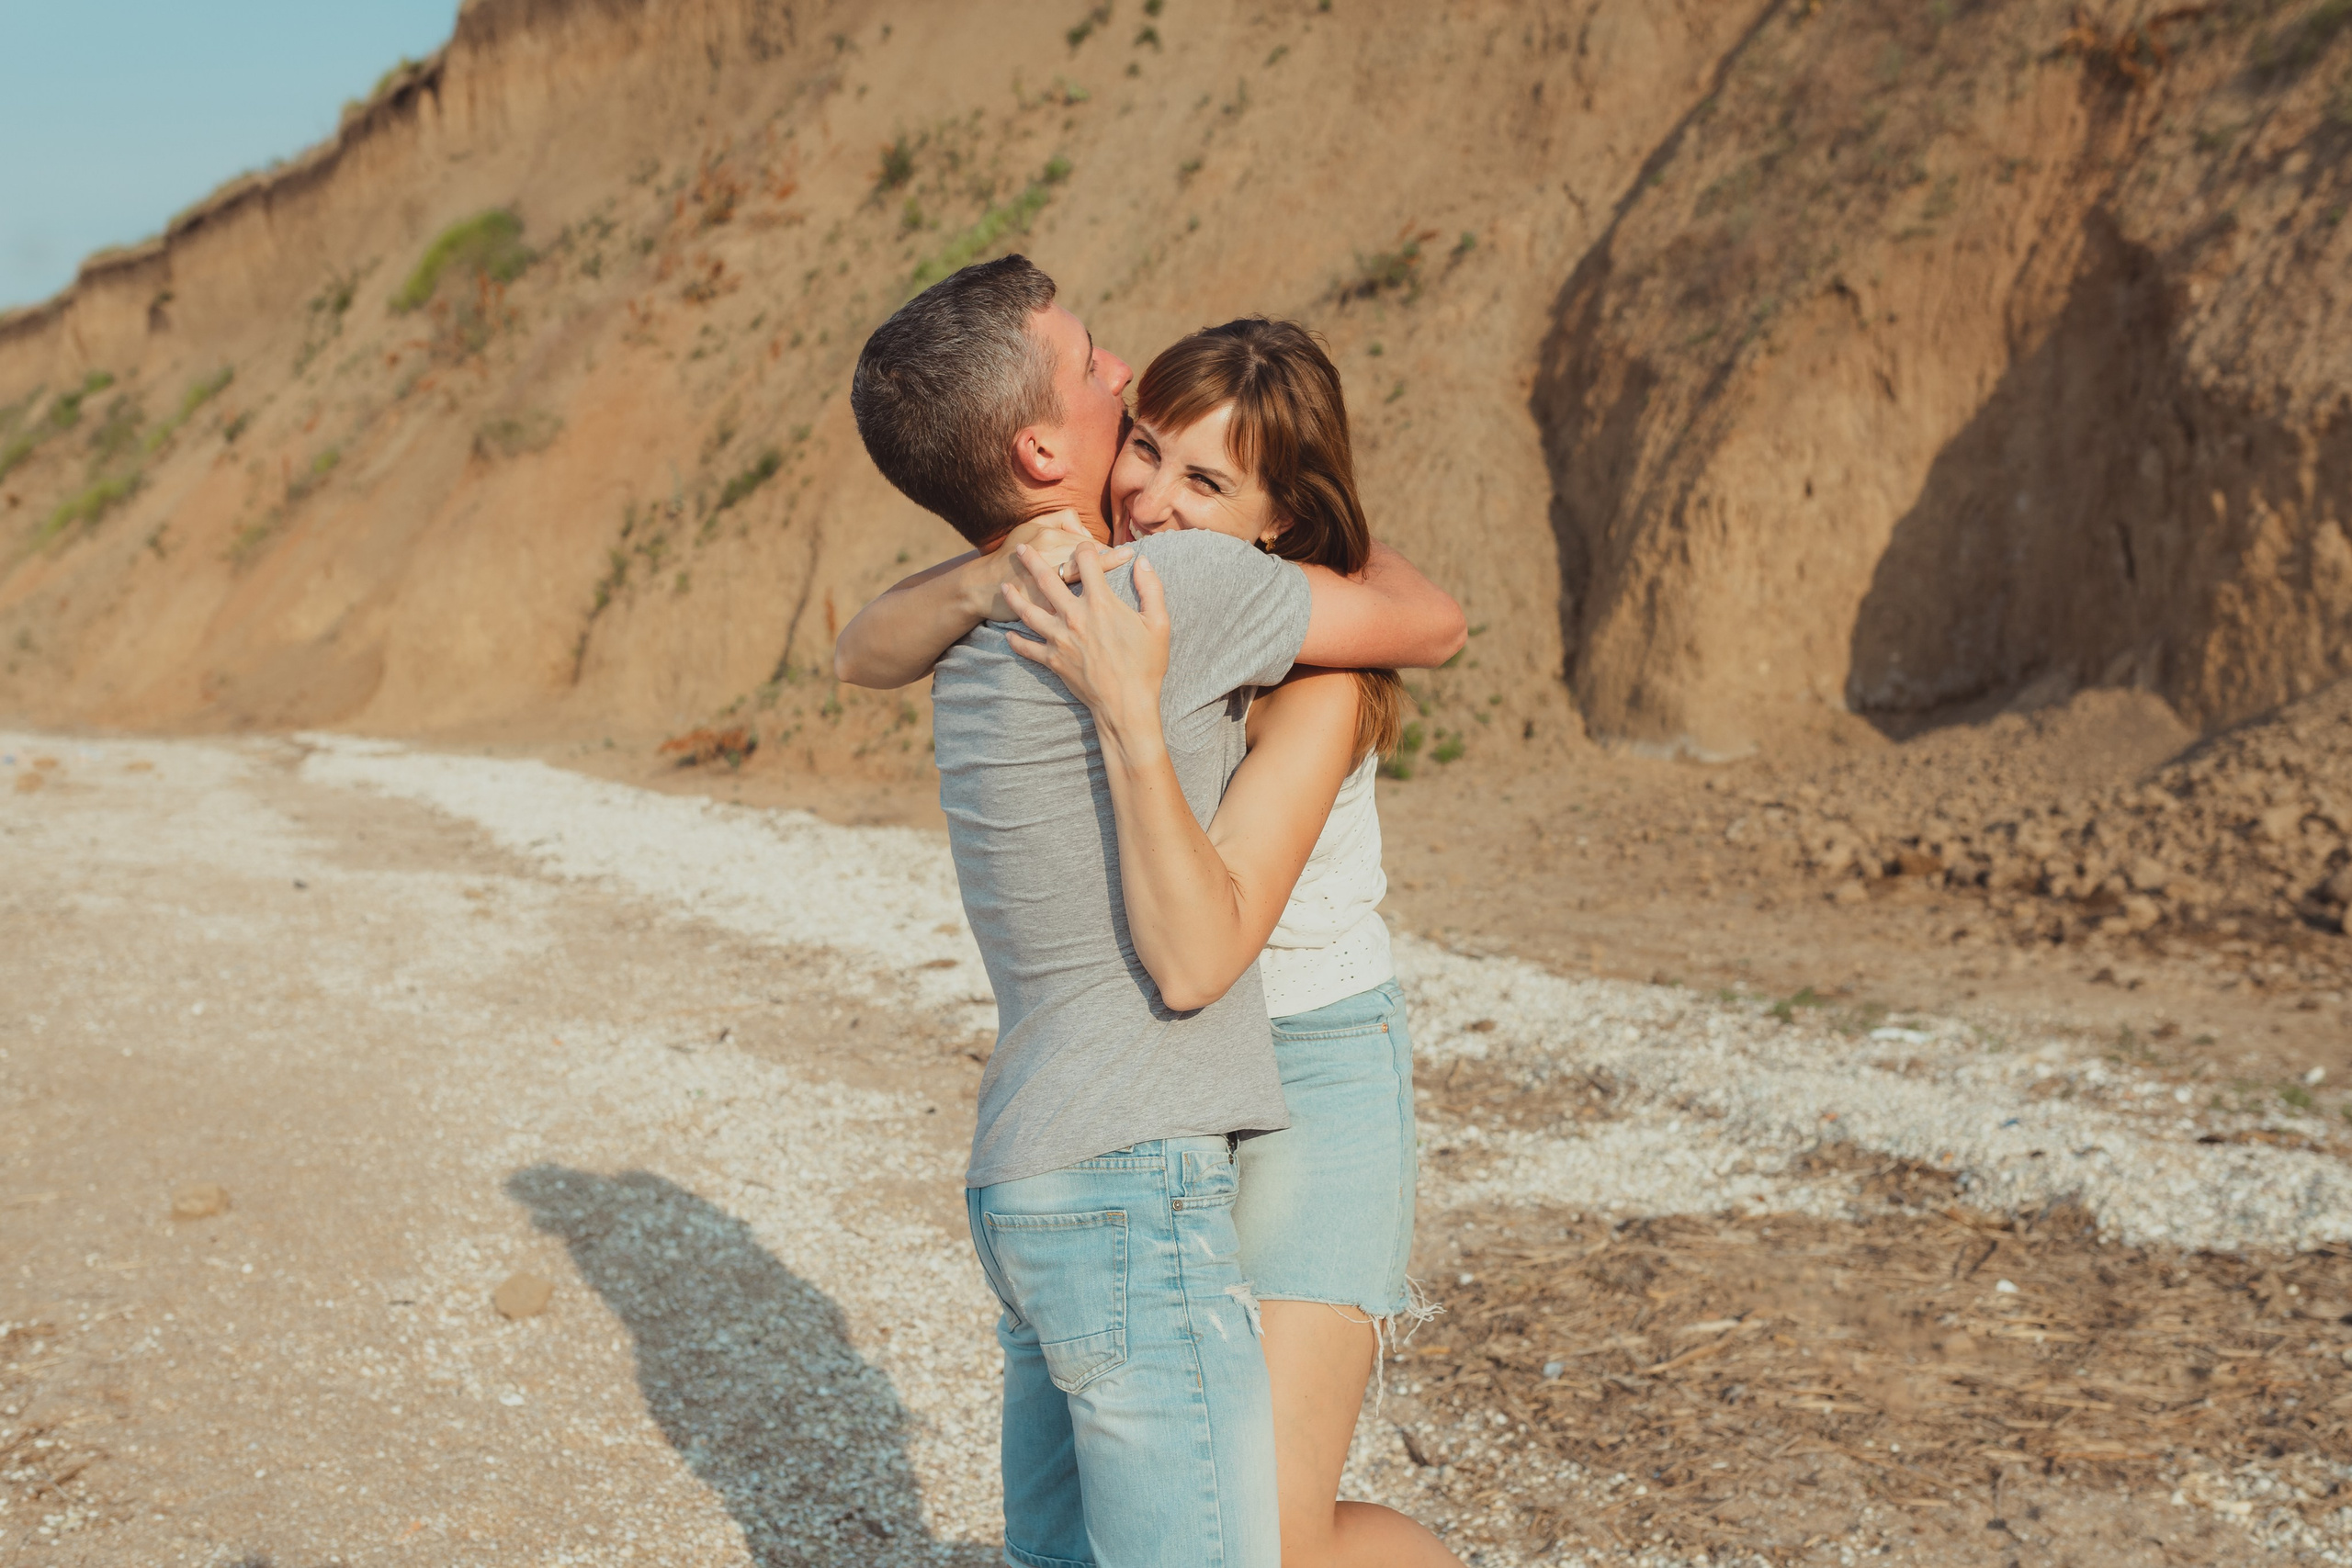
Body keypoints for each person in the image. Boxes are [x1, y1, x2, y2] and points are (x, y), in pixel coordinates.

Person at [845, 258, 1464, 1568]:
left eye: (1205, 482)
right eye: (1141, 449)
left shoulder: (1289, 656)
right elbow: (861, 652)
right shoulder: (1110, 582)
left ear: (1278, 521)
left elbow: (1432, 625)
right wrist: (987, 572)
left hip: (1309, 1055)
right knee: (1196, 1508)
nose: (1150, 496)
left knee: (1272, 1540)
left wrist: (1286, 569)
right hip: (1180, 1085)